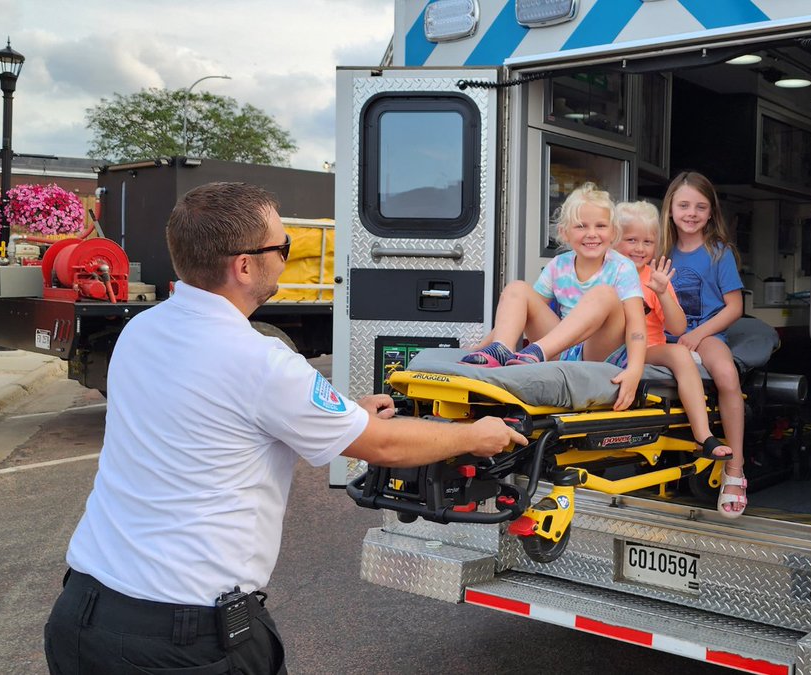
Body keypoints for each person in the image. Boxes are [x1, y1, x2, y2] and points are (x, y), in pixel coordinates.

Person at [43, 182, 526, 675]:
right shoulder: (261, 360)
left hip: (82, 616)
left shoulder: (143, 329)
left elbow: (215, 424)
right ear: (244, 266)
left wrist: (344, 414)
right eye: (283, 247)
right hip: (181, 642)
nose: (285, 259)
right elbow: (381, 444)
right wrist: (475, 435)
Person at [460, 182, 647, 411]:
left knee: (604, 294)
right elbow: (522, 310)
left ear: (614, 233)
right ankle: (502, 349)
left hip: (601, 351)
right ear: (564, 232)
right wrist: (483, 346)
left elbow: (637, 325)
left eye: (600, 226)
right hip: (562, 348)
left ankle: (538, 351)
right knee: (517, 289)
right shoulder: (558, 265)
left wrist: (635, 370)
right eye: (581, 226)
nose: (592, 234)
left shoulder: (622, 267)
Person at [613, 200, 731, 461]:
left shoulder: (655, 278)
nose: (640, 248)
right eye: (631, 240)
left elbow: (677, 328)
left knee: (679, 353)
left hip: (648, 348)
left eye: (648, 242)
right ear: (613, 240)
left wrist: (663, 293)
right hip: (610, 348)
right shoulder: (606, 274)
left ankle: (703, 436)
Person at [659, 171, 748, 517]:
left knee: (726, 375)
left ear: (711, 213)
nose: (691, 213)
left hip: (707, 334)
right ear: (670, 209)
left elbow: (735, 307)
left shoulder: (718, 253)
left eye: (700, 206)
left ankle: (735, 469)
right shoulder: (659, 251)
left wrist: (698, 335)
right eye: (684, 205)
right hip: (665, 337)